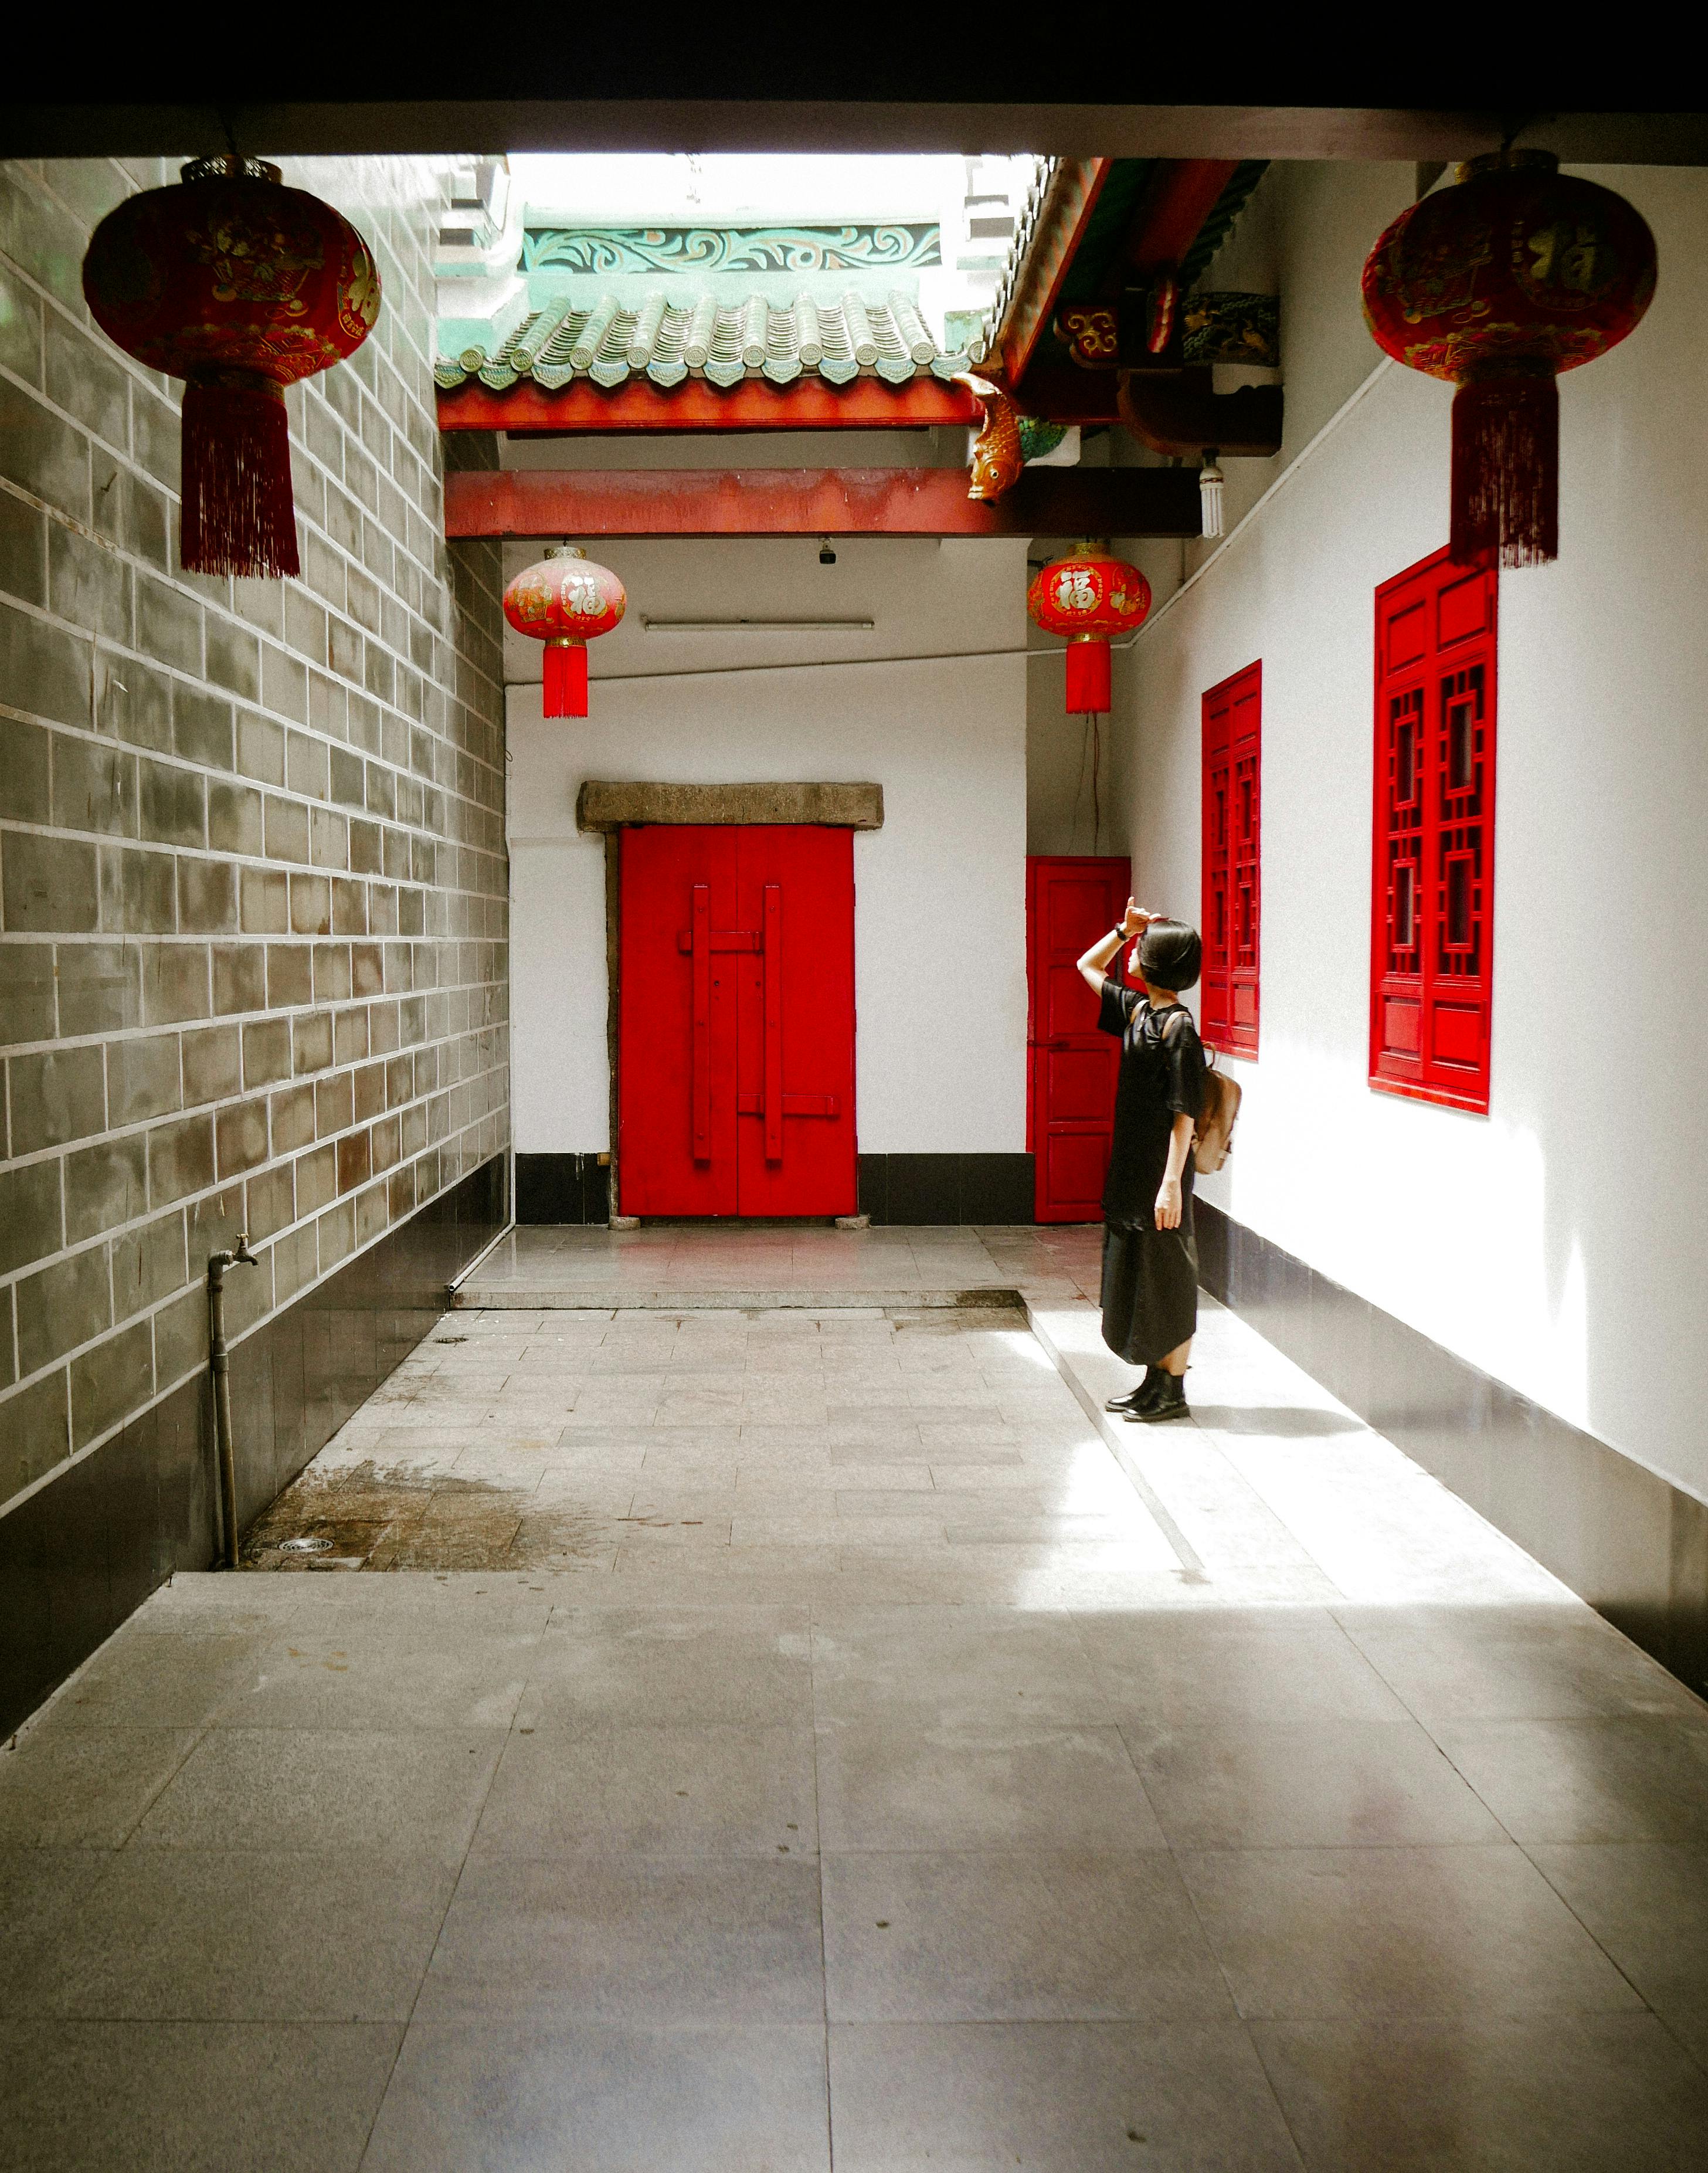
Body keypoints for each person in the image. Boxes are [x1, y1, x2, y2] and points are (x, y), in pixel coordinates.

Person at [1076, 901, 1207, 1423]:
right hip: (1133, 1166)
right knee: (1140, 1272)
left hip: (1161, 1173)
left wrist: (1171, 1183)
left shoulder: (1178, 1029)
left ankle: (1173, 1390)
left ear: (1156, 964)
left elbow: (1185, 1113)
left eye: (1140, 946)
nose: (1131, 951)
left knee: (1169, 1274)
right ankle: (1153, 1380)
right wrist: (1121, 929)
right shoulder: (1138, 1012)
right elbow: (1086, 967)